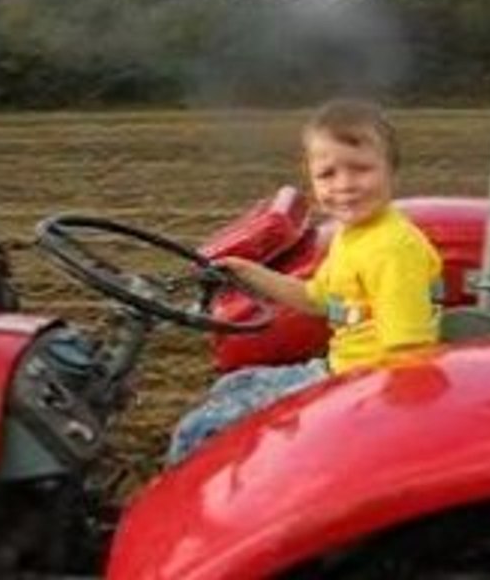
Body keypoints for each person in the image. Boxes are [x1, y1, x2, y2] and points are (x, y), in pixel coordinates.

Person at [167, 98, 443, 464]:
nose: (344, 185)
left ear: (391, 172)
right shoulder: (355, 235)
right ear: (312, 181)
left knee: (202, 429)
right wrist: (249, 272)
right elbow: (317, 299)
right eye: (328, 175)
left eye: (360, 169)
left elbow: (408, 357)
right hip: (341, 368)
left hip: (359, 386)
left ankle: (190, 509)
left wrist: (363, 426)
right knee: (232, 385)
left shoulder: (392, 249)